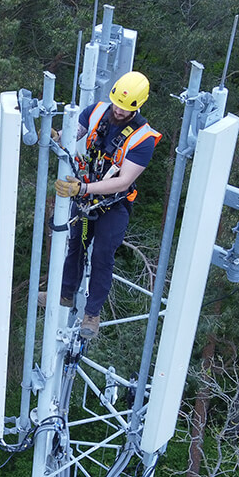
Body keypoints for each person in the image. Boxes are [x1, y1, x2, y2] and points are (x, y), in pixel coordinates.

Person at [54, 71, 162, 339]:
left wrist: (84, 188)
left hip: (113, 206)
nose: (118, 110)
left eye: (126, 109)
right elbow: (75, 134)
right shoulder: (96, 112)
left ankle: (92, 313)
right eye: (117, 104)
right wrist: (59, 136)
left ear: (138, 106)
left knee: (102, 256)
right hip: (86, 197)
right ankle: (66, 293)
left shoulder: (143, 139)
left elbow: (123, 181)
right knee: (75, 246)